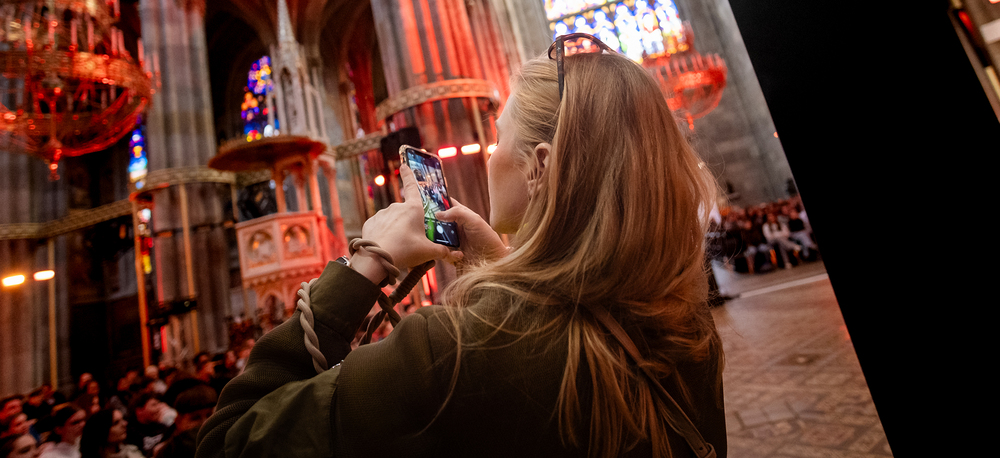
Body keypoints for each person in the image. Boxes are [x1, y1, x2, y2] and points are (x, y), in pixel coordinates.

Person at [196, 42, 726, 457]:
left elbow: (230, 441)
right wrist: (503, 266)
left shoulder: (452, 353)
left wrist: (365, 265)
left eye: (498, 139)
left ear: (540, 166)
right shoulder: (684, 321)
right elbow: (570, 326)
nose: (491, 155)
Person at [152, 386, 216, 458]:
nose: (205, 422)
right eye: (195, 418)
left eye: (209, 415)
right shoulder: (168, 451)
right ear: (178, 421)